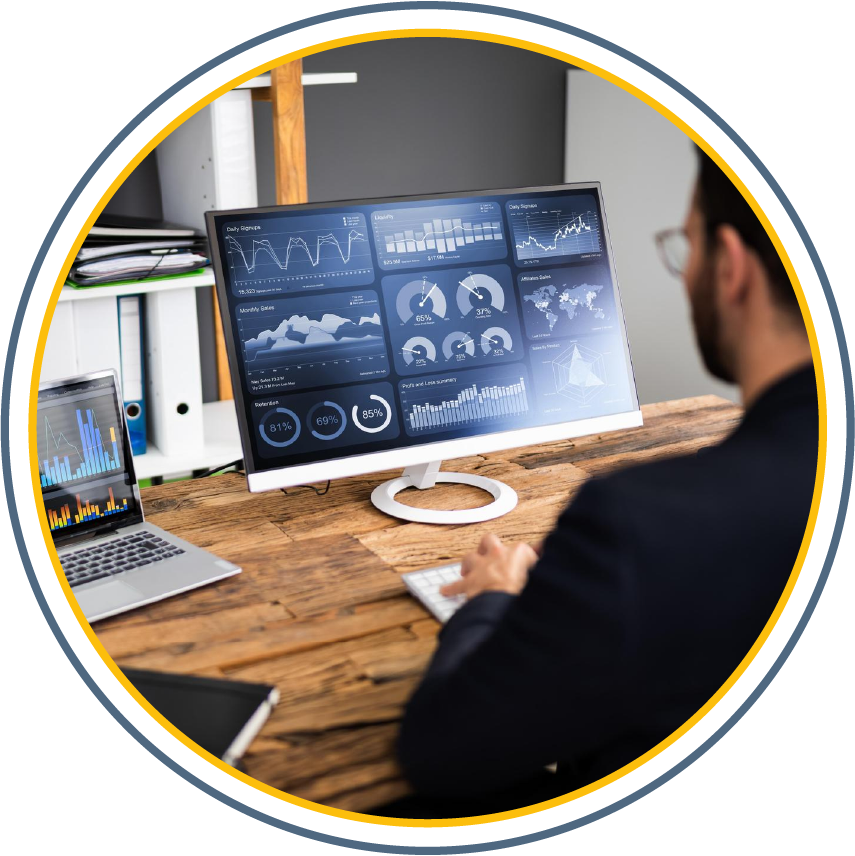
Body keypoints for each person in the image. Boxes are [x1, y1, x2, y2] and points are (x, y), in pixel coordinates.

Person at [387, 147, 818, 818]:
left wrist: (490, 603)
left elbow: (441, 754)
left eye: (688, 247)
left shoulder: (638, 524)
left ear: (730, 268)